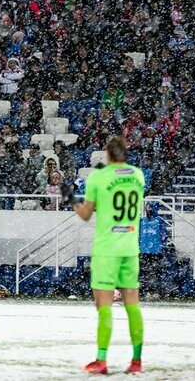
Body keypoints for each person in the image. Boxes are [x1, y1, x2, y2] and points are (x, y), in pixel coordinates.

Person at [74, 136, 145, 375]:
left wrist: (70, 199)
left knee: (104, 305)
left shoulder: (98, 176)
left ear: (107, 153)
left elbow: (85, 214)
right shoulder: (138, 175)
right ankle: (136, 362)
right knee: (132, 305)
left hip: (107, 249)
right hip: (130, 247)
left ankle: (101, 360)